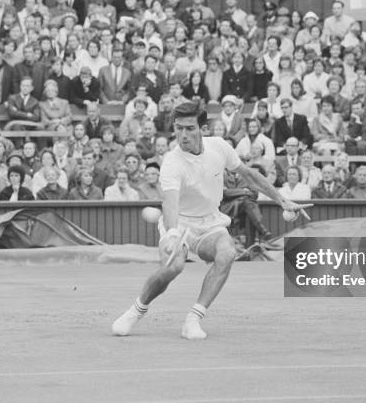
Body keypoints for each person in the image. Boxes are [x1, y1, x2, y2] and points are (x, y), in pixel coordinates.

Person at [111, 101, 310, 340]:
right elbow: (171, 202)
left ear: (202, 129)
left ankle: (193, 318)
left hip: (211, 222)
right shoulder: (172, 163)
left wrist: (281, 200)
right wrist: (172, 233)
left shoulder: (219, 147)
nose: (183, 135)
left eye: (189, 128)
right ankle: (137, 309)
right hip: (180, 223)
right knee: (173, 267)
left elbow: (248, 175)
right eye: (178, 128)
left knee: (227, 252)